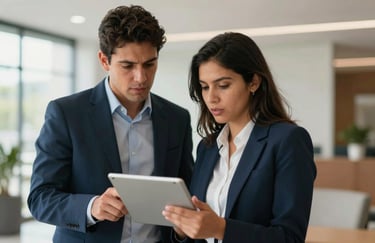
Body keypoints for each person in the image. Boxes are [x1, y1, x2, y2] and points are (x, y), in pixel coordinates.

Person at [27, 5, 194, 243]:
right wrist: (91, 207)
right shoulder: (66, 113)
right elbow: (40, 198)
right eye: (128, 66)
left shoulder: (177, 119)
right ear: (104, 60)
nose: (141, 77)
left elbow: (187, 194)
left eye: (149, 64)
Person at [162, 32, 316, 243]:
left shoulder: (288, 141)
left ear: (253, 82)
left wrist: (222, 229)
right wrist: (182, 229)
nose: (211, 97)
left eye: (223, 85)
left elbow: (290, 238)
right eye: (205, 87)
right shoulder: (207, 148)